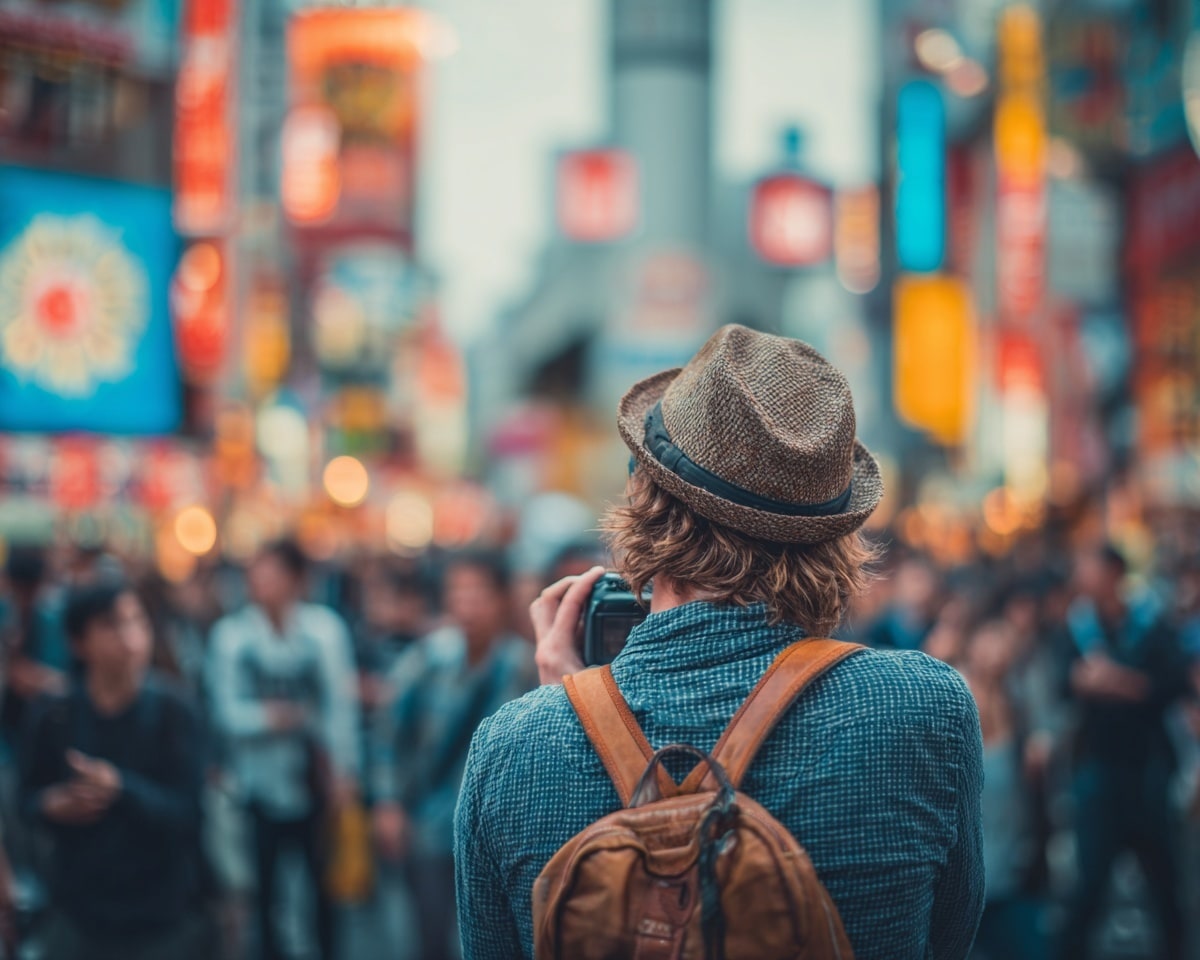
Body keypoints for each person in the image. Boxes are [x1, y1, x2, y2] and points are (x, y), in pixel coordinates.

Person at [454, 324, 984, 960]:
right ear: (834, 535)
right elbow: (949, 939)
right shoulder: (926, 710)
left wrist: (564, 718)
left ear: (643, 502)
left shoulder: (510, 748)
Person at [17, 579, 208, 960]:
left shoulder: (176, 711)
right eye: (112, 624)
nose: (130, 637)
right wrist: (51, 805)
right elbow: (26, 799)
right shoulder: (54, 715)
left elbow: (190, 812)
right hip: (78, 911)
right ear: (78, 642)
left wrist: (121, 789)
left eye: (138, 621)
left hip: (162, 913)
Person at [371, 550, 535, 960]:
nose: (466, 605)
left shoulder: (523, 666)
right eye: (457, 594)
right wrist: (388, 802)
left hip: (498, 835)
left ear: (501, 599)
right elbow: (390, 733)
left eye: (477, 594)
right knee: (428, 934)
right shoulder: (428, 660)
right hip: (430, 823)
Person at [208, 539, 360, 960]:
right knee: (264, 890)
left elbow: (339, 708)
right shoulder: (232, 637)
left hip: (314, 779)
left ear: (296, 579)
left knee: (323, 889)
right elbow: (224, 711)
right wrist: (268, 719)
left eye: (272, 573)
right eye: (256, 573)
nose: (261, 582)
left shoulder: (324, 631)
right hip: (257, 784)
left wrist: (345, 772)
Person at [1055, 544, 1190, 960]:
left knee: (1165, 885)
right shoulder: (1077, 627)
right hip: (1098, 772)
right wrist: (1130, 685)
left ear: (1114, 571)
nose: (1081, 574)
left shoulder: (1152, 623)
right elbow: (1067, 682)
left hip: (1148, 772)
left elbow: (1170, 686)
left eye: (1088, 566)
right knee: (1090, 884)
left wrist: (1112, 681)